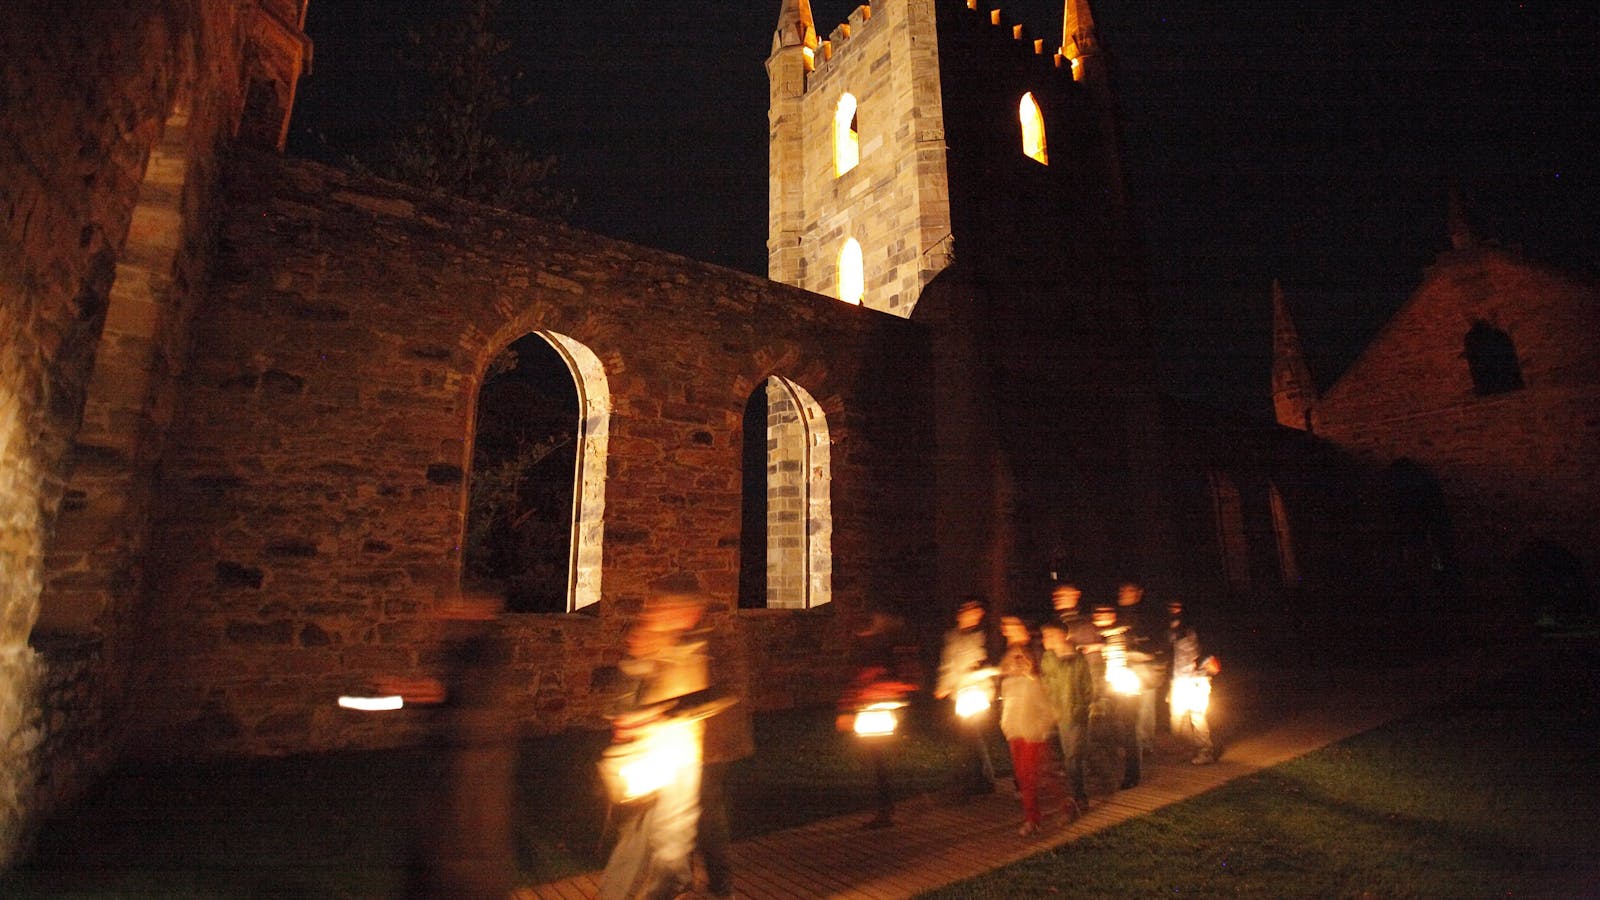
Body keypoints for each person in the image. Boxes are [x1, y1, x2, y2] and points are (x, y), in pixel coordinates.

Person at [378, 594, 516, 900]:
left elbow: (447, 691)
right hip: (457, 756)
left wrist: (401, 691)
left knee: (465, 839)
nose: (446, 614)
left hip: (473, 762)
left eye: (457, 608)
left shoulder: (484, 651)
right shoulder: (460, 646)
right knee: (444, 838)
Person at [598, 594, 715, 900]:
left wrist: (665, 713)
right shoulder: (646, 644)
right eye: (667, 610)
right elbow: (622, 700)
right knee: (640, 841)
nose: (672, 616)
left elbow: (709, 696)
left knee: (671, 847)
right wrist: (632, 719)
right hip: (647, 758)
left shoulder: (694, 647)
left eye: (678, 610)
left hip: (680, 757)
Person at [837, 610, 920, 829]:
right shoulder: (862, 649)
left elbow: (905, 679)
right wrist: (847, 708)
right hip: (870, 712)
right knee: (877, 761)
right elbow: (854, 681)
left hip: (880, 712)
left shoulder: (884, 649)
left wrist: (880, 691)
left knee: (880, 761)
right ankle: (886, 807)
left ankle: (886, 809)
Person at [696, 604, 754, 900]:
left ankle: (721, 885)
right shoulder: (686, 638)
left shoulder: (719, 640)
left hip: (712, 743)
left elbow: (730, 690)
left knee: (708, 811)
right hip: (688, 743)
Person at [998, 617, 1057, 836]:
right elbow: (1005, 698)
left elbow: (1044, 704)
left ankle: (1036, 818)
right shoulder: (1008, 675)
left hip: (1032, 730)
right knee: (1029, 775)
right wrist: (1005, 722)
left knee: (1032, 775)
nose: (1017, 662)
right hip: (1014, 728)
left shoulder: (1032, 676)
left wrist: (1040, 727)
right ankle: (1056, 807)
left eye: (1021, 658)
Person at [935, 598, 998, 795]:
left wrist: (980, 675)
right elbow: (948, 664)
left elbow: (989, 665)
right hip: (960, 693)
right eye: (970, 611)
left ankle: (982, 779)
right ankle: (977, 778)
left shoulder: (981, 636)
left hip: (977, 692)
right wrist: (944, 686)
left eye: (977, 612)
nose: (974, 616)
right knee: (969, 736)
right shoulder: (953, 637)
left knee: (972, 735)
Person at [1038, 621, 1093, 819]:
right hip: (1059, 715)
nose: (1045, 639)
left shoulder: (1077, 659)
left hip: (1076, 714)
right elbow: (1046, 684)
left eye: (1050, 635)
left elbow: (1087, 685)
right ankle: (1074, 794)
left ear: (1063, 636)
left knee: (1073, 757)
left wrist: (1082, 707)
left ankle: (1079, 797)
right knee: (1067, 757)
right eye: (1044, 636)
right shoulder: (1048, 659)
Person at [1117, 581, 1165, 774]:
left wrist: (1146, 653)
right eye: (1122, 590)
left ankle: (1145, 743)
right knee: (1127, 708)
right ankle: (1132, 742)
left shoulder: (1147, 616)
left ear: (1139, 593)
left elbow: (1157, 640)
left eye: (1128, 590)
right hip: (1125, 666)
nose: (1123, 593)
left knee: (1145, 707)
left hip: (1145, 667)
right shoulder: (1118, 616)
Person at [1167, 600, 1218, 765]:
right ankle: (1190, 749)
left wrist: (1203, 665)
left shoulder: (1196, 630)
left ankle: (1205, 751)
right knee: (1177, 720)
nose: (1174, 611)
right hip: (1178, 680)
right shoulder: (1171, 631)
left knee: (1197, 716)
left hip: (1197, 680)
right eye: (1171, 607)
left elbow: (1208, 652)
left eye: (1177, 607)